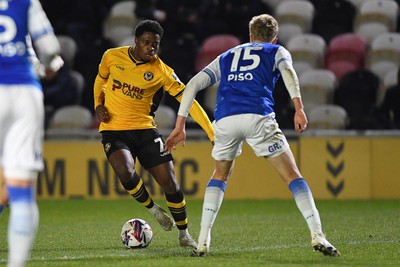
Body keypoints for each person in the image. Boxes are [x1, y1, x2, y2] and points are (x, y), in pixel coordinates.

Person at [165, 14, 341, 257]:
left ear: (250, 35)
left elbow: (193, 84)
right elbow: (288, 72)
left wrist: (180, 124)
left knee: (220, 174)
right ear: (274, 38)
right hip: (258, 117)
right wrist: (299, 108)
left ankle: (204, 239)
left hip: (225, 120)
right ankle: (317, 233)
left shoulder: (227, 55)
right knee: (292, 175)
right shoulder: (276, 51)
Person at [93, 19, 214, 249]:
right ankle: (154, 210)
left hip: (146, 130)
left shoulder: (162, 71)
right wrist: (98, 104)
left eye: (155, 44)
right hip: (114, 129)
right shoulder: (112, 56)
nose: (151, 48)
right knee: (125, 171)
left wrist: (211, 132)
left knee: (170, 183)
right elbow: (101, 79)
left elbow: (188, 99)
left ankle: (184, 234)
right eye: (146, 42)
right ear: (136, 41)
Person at [0, 0, 64, 266]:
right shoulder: (25, 1)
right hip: (25, 93)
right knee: (21, 188)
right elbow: (50, 49)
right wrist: (46, 67)